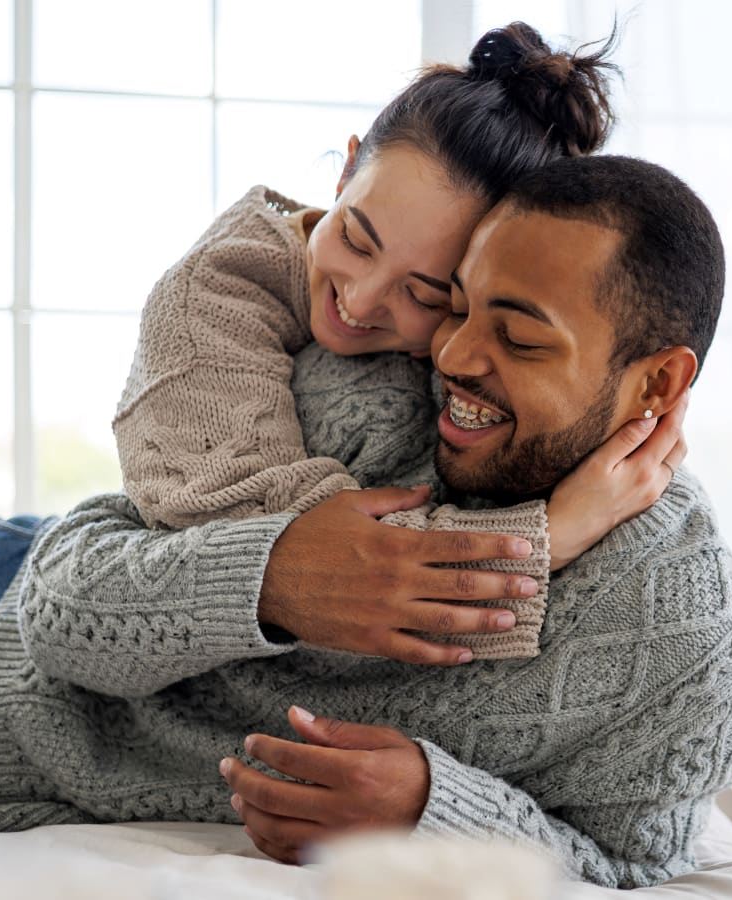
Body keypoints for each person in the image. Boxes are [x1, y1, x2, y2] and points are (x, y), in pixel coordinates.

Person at [0, 155, 732, 891]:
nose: (449, 357)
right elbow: (64, 587)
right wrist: (274, 579)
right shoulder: (378, 394)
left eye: (519, 339)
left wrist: (432, 804)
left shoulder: (704, 652)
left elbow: (627, 864)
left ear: (659, 385)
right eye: (457, 306)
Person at [110, 22, 686, 664]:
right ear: (347, 168)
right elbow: (312, 560)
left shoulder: (465, 344)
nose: (358, 300)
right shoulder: (210, 297)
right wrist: (556, 533)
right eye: (356, 240)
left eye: (426, 294)